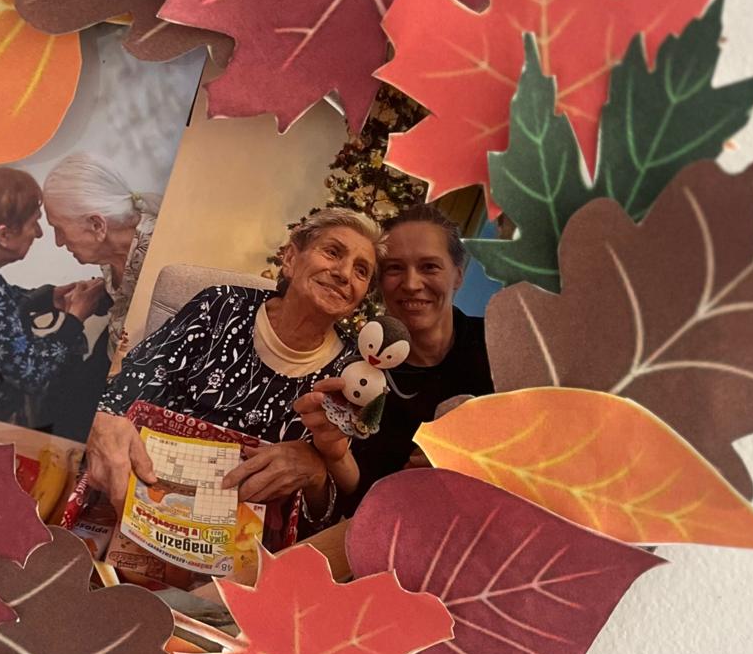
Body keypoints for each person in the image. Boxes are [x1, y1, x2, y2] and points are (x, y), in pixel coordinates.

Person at [82, 208, 383, 518]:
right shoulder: (221, 307)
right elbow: (125, 393)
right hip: (151, 489)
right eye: (332, 252)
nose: (344, 273)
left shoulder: (353, 372)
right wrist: (102, 420)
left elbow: (332, 509)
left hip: (250, 529)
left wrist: (317, 473)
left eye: (361, 271)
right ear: (291, 259)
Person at [295, 203, 493, 505]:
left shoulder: (500, 345)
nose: (411, 284)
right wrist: (336, 456)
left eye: (429, 266)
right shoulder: (358, 374)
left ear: (457, 275)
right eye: (395, 268)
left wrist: (476, 461)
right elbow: (357, 496)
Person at [0, 166, 104, 425]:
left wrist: (46, 298)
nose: (39, 232)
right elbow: (32, 374)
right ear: (4, 234)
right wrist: (74, 320)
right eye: (34, 222)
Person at [41, 153, 162, 362]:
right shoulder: (108, 257)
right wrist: (98, 297)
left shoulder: (158, 258)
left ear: (97, 225)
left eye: (59, 229)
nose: (58, 241)